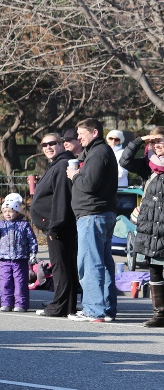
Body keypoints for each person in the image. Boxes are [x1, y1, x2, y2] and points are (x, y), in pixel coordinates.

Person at [67, 118, 118, 322]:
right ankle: (106, 309)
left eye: (81, 133)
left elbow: (89, 184)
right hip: (101, 214)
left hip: (92, 215)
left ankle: (93, 310)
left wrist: (75, 175)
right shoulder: (97, 152)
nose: (78, 138)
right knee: (103, 263)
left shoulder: (99, 153)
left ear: (94, 132)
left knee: (90, 263)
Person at [119, 127, 164, 327]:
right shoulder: (148, 165)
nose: (157, 145)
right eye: (153, 142)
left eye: (160, 140)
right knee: (155, 270)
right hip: (150, 229)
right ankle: (160, 315)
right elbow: (125, 161)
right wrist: (139, 140)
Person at [30, 133, 79, 318]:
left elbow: (62, 198)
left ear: (61, 144)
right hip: (58, 225)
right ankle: (67, 305)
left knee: (61, 266)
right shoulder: (57, 165)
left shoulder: (62, 165)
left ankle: (59, 306)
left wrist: (55, 225)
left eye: (52, 143)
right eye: (44, 145)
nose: (48, 147)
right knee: (65, 265)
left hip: (59, 226)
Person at [0, 193, 39, 312]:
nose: (7, 214)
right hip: (5, 258)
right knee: (5, 282)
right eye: (5, 211)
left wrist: (33, 253)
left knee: (20, 283)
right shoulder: (1, 224)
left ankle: (21, 304)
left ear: (17, 212)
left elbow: (32, 240)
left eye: (10, 211)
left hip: (20, 258)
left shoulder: (24, 225)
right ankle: (6, 303)